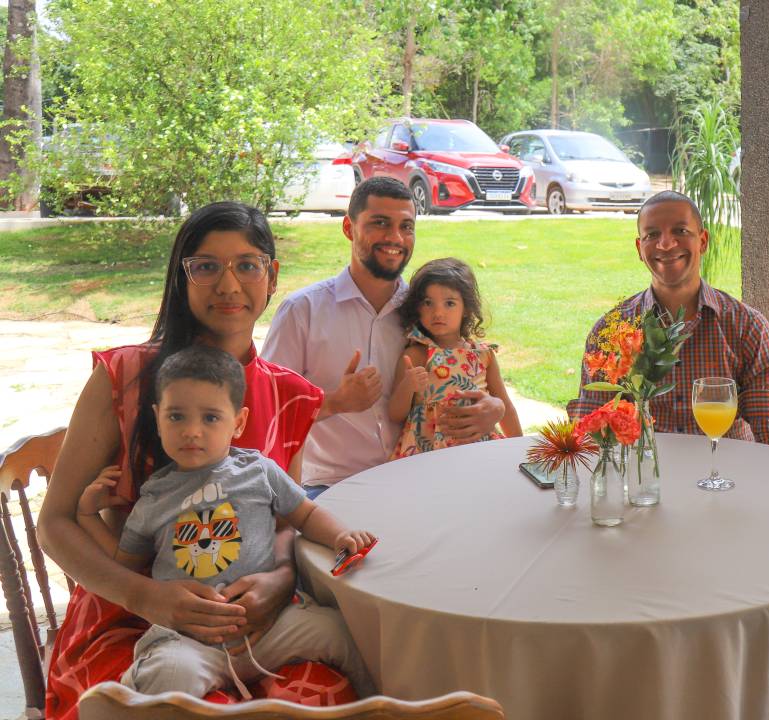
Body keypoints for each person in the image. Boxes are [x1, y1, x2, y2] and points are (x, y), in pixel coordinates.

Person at [37, 202, 352, 719]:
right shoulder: (125, 376)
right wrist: (147, 597)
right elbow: (53, 524)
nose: (228, 285)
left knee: (329, 691)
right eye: (206, 266)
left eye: (247, 265)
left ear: (272, 277)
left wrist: (278, 582)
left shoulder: (290, 394)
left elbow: (285, 521)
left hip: (257, 623)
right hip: (128, 621)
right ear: (182, 278)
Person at [77, 345, 374, 699]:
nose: (192, 431)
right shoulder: (153, 497)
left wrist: (340, 535)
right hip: (189, 641)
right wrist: (88, 517)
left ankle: (379, 707)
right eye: (176, 416)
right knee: (166, 675)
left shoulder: (259, 471)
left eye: (210, 418)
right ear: (157, 418)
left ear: (239, 422)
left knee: (338, 631)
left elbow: (306, 514)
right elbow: (125, 565)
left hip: (272, 627)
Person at [263, 177, 504, 497]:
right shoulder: (303, 311)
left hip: (421, 478)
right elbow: (267, 410)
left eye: (406, 226)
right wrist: (336, 402)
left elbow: (470, 369)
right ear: (348, 228)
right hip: (333, 487)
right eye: (380, 223)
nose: (395, 237)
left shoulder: (426, 312)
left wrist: (494, 408)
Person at [567, 190, 769, 447]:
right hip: (647, 471)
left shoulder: (747, 327)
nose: (666, 244)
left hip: (727, 470)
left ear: (703, 241)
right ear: (639, 249)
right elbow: (591, 433)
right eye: (652, 235)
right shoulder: (612, 331)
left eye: (680, 231)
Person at [388, 258, 521, 458]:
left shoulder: (483, 355)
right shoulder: (416, 355)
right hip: (428, 453)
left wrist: (520, 452)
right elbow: (395, 414)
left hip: (477, 450)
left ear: (466, 308)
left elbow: (506, 407)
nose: (438, 312)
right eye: (428, 303)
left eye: (449, 303)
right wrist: (407, 386)